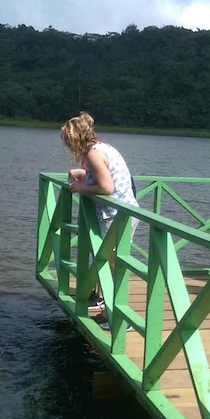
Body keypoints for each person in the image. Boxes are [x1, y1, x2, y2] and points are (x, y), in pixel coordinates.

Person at [61, 111, 139, 317]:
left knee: (112, 266)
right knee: (110, 264)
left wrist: (80, 188)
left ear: (75, 139)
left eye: (69, 143)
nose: (69, 148)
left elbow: (107, 187)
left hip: (117, 216)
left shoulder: (93, 154)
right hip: (123, 212)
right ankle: (107, 307)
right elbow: (103, 174)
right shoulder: (103, 148)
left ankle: (121, 317)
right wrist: (83, 174)